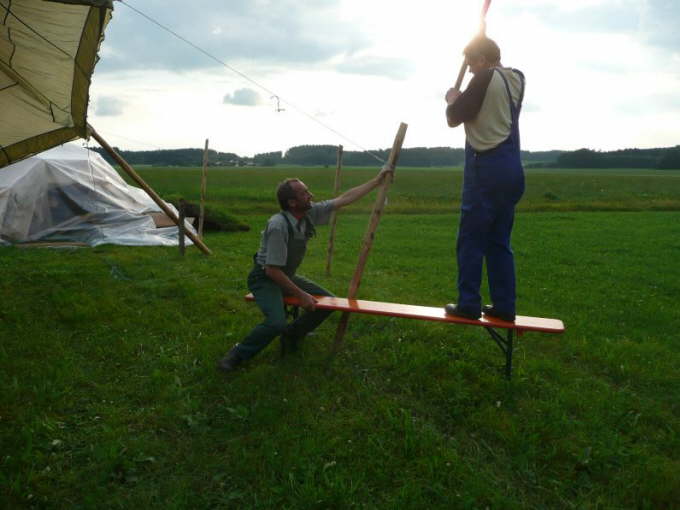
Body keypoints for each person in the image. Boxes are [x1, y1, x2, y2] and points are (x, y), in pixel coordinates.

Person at [218, 165, 394, 372]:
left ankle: (292, 335)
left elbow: (343, 199)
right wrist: (301, 295)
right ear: (292, 203)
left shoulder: (308, 214)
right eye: (305, 193)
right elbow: (272, 270)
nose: (311, 195)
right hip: (265, 278)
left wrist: (376, 181)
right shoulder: (278, 225)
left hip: (285, 276)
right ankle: (238, 353)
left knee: (329, 302)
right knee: (276, 322)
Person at [443, 35, 526, 322]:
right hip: (512, 167)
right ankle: (504, 306)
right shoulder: (517, 78)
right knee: (499, 241)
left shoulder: (484, 78)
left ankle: (468, 303)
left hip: (485, 167)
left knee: (470, 239)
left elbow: (455, 117)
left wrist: (452, 98)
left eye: (470, 65)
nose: (469, 72)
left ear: (480, 59)